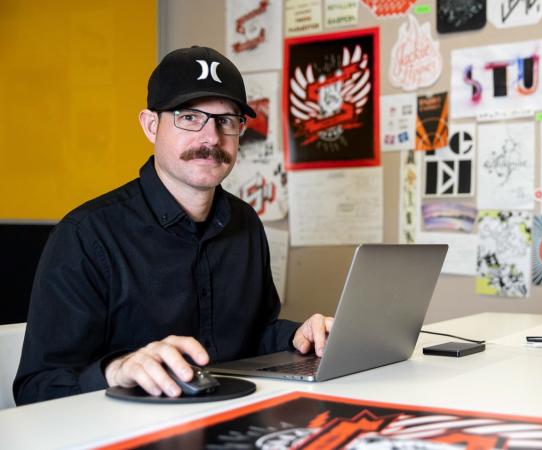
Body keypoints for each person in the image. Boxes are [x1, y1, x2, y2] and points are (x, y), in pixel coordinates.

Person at [13, 46, 333, 405]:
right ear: (151, 126)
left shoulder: (245, 223)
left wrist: (299, 336)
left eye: (226, 121)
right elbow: (36, 387)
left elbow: (254, 335)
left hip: (231, 419)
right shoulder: (86, 237)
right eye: (189, 117)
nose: (212, 138)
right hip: (126, 432)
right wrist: (115, 371)